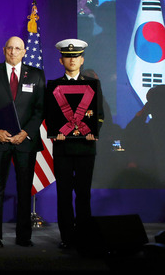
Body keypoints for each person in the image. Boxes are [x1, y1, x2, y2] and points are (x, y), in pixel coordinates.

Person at [0, 36, 45, 248]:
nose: (13, 52)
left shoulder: (36, 74)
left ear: (24, 52)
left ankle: (24, 237)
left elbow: (40, 108)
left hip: (25, 141)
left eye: (18, 49)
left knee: (25, 189)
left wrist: (26, 132)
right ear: (4, 50)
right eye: (10, 48)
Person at [50, 39, 104, 249]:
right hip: (63, 147)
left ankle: (83, 236)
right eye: (68, 56)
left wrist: (93, 132)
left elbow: (99, 115)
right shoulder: (53, 86)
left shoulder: (93, 85)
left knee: (83, 193)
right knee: (63, 195)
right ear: (61, 59)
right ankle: (67, 237)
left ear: (82, 59)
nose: (72, 60)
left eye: (76, 56)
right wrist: (56, 133)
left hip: (86, 147)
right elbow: (51, 115)